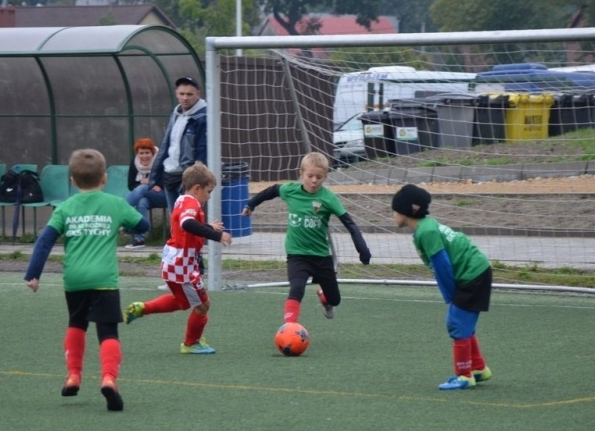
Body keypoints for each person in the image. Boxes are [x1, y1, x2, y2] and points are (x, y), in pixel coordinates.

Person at [24, 148, 150, 412]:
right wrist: (125, 226)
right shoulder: (114, 204)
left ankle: (73, 376)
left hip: (75, 280)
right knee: (108, 332)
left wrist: (33, 273)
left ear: (72, 180)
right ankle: (108, 379)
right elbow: (144, 226)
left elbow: (45, 240)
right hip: (104, 279)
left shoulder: (65, 207)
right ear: (104, 178)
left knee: (76, 324)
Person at [242, 152, 371, 322]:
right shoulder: (291, 190)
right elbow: (272, 190)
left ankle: (325, 298)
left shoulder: (329, 198)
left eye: (319, 177)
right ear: (301, 173)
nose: (314, 181)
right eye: (310, 176)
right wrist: (251, 204)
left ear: (325, 177)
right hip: (297, 254)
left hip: (321, 256)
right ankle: (289, 328)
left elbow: (350, 223)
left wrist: (362, 249)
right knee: (296, 288)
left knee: (335, 300)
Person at [391, 184, 493, 391]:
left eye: (394, 209)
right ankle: (478, 368)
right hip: (475, 271)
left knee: (456, 322)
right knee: (464, 323)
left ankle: (464, 375)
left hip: (471, 274)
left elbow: (442, 264)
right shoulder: (425, 227)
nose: (392, 214)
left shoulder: (426, 232)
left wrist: (450, 295)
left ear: (407, 211)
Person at [123, 162, 232, 354]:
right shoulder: (192, 203)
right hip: (183, 266)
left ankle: (142, 308)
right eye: (208, 191)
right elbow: (188, 223)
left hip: (175, 263)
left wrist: (208, 227)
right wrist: (216, 235)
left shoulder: (182, 200)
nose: (209, 196)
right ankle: (191, 343)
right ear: (197, 188)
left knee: (182, 302)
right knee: (202, 306)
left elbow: (189, 223)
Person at [149, 76, 207, 213]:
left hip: (187, 176)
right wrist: (157, 174)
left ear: (198, 94)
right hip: (169, 173)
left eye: (189, 94)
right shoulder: (176, 113)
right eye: (182, 94)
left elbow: (202, 149)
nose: (185, 98)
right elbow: (167, 144)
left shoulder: (203, 117)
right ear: (176, 93)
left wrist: (195, 174)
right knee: (175, 218)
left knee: (188, 218)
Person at [125, 137, 167, 248]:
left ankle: (121, 212)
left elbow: (168, 180)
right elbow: (131, 185)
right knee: (142, 202)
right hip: (148, 196)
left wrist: (153, 183)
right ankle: (139, 239)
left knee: (143, 188)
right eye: (141, 153)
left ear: (152, 153)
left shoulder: (160, 161)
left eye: (147, 153)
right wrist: (147, 184)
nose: (144, 156)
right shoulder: (134, 163)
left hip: (163, 195)